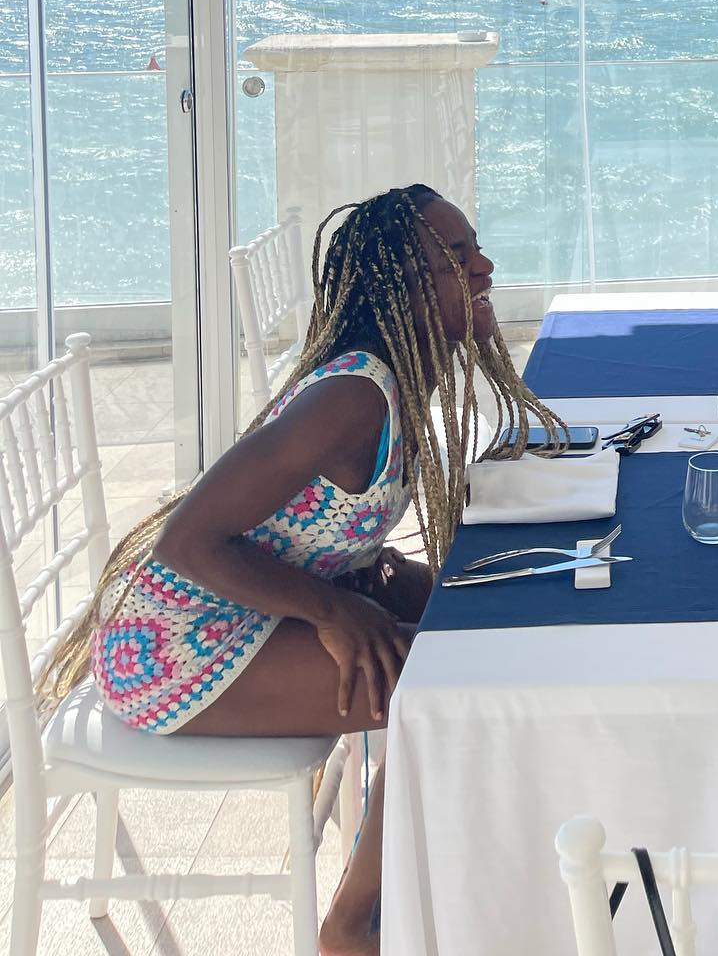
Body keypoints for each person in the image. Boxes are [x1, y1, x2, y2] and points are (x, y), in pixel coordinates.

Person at [40, 184, 562, 956]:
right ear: (402, 291)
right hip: (176, 644)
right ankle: (354, 925)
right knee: (456, 691)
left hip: (249, 608)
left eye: (475, 247)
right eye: (456, 258)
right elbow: (186, 542)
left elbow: (305, 523)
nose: (483, 267)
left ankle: (469, 875)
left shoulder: (402, 376)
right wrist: (330, 608)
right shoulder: (353, 397)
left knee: (492, 620)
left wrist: (365, 575)